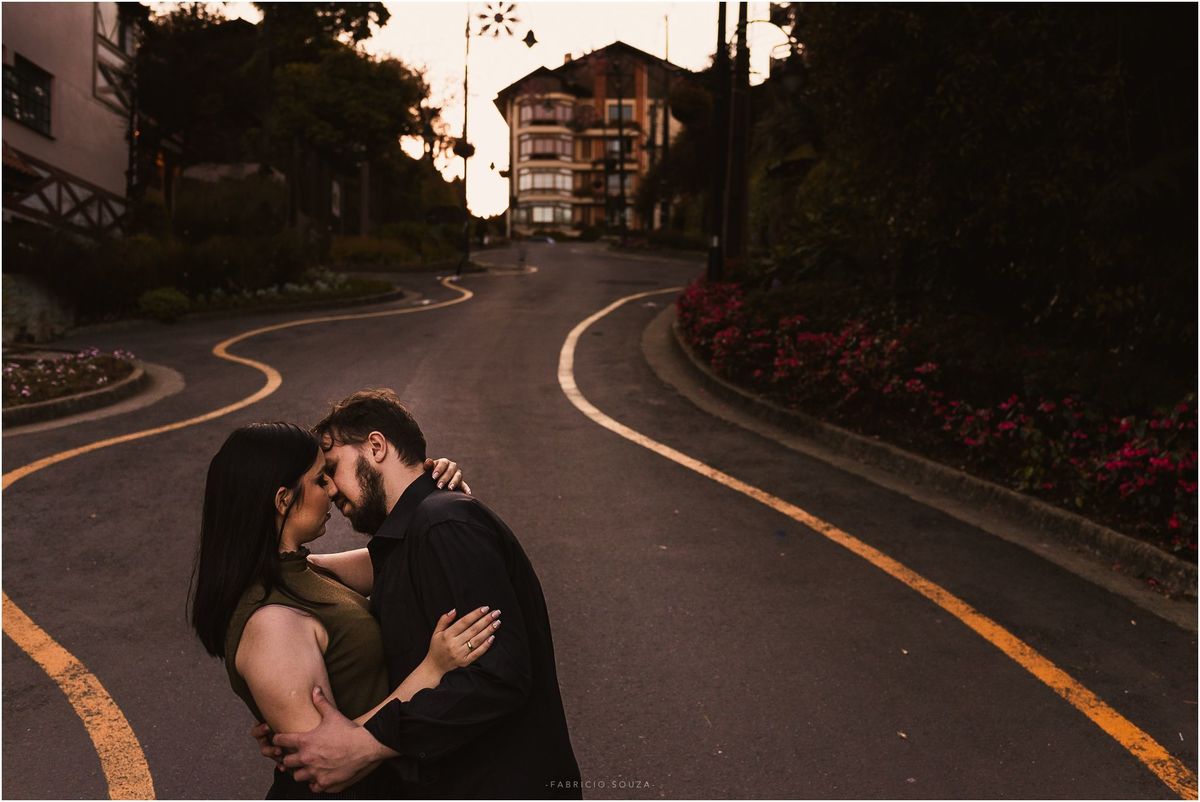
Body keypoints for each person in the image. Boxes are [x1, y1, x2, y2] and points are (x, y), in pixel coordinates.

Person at [269, 389, 582, 799]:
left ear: (377, 446)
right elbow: (320, 573)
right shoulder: (410, 537)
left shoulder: (444, 524)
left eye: (332, 468)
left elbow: (497, 676)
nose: (329, 490)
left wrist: (366, 744)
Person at [191, 422, 502, 799]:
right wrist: (431, 669)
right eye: (320, 480)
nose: (333, 489)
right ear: (283, 500)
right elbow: (325, 761)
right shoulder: (271, 624)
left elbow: (405, 550)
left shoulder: (306, 571)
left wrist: (427, 486)